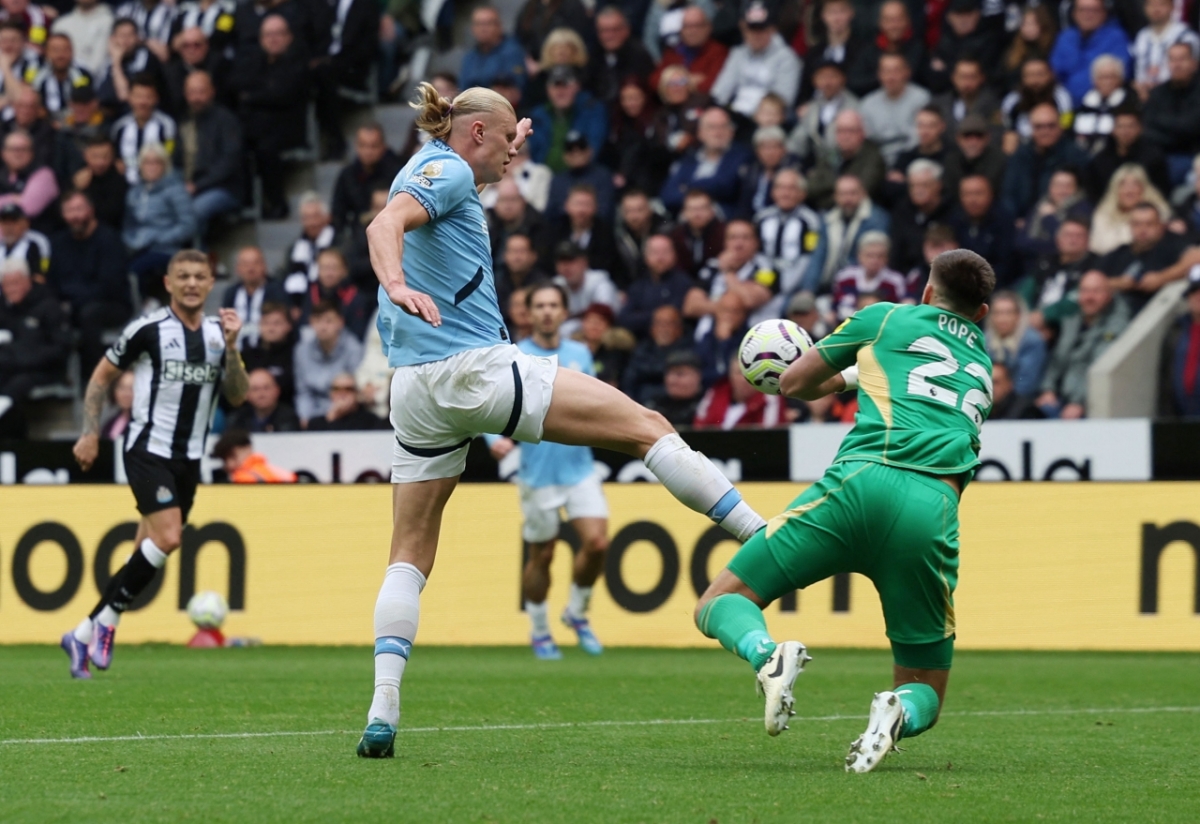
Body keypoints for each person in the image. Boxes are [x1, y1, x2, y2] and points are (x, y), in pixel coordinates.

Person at [357, 83, 769, 757]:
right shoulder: (450, 168)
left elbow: (449, 191)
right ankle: (766, 537)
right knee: (647, 425)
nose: (513, 159)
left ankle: (383, 712)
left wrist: (499, 153)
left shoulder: (441, 164)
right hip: (474, 368)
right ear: (478, 135)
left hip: (414, 392)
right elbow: (384, 226)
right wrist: (398, 285)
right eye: (509, 140)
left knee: (409, 551)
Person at [693, 248, 995, 771]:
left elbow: (794, 383)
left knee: (719, 601)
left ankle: (767, 656)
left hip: (861, 483)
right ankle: (896, 708)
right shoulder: (983, 367)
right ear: (983, 315)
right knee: (926, 689)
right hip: (932, 510)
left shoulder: (886, 317)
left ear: (926, 293)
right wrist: (862, 374)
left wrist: (844, 376)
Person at [63, 251, 247, 679]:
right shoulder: (147, 329)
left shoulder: (222, 334)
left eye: (199, 277)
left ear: (210, 283)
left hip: (189, 459)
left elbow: (237, 395)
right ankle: (108, 623)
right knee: (168, 537)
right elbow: (100, 377)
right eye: (182, 276)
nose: (191, 283)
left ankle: (81, 632)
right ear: (168, 283)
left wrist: (235, 348)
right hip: (148, 449)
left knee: (142, 554)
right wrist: (90, 432)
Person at [485, 283, 609, 659]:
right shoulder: (514, 355)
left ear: (564, 311)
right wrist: (494, 439)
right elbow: (488, 402)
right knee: (544, 555)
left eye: (554, 305)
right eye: (539, 305)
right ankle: (540, 630)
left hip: (580, 467)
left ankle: (576, 611)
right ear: (528, 312)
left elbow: (594, 401)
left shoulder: (579, 354)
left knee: (598, 543)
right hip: (537, 474)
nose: (546, 312)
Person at [230, 14, 308, 219]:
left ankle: (276, 202)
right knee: (237, 142)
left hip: (288, 127)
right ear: (261, 39)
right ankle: (243, 203)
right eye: (268, 35)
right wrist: (263, 94)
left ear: (289, 37)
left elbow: (283, 95)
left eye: (278, 34)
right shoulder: (254, 62)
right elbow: (239, 88)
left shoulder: (298, 62)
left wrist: (254, 96)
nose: (273, 39)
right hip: (258, 126)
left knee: (266, 146)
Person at [46, 191, 131, 370]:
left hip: (111, 304)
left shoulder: (109, 239)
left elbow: (110, 285)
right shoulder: (58, 242)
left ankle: (96, 376)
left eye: (79, 209)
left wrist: (71, 300)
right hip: (70, 304)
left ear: (91, 210)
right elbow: (52, 282)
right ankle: (56, 375)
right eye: (69, 211)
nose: (75, 216)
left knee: (89, 314)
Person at [1036, 270, 1129, 418]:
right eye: (1084, 291)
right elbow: (1056, 360)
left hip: (1090, 404)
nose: (1089, 297)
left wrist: (1079, 403)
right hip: (1060, 400)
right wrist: (1048, 390)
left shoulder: (1115, 327)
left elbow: (1099, 367)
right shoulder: (1072, 322)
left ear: (1109, 295)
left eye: (1096, 291)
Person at [0, 257, 69, 437]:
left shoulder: (48, 306)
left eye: (16, 283)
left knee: (17, 385)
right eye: (6, 285)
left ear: (27, 280)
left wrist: (25, 357)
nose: (11, 289)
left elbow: (61, 348)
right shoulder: (4, 309)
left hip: (43, 370)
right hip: (10, 368)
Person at [123, 142, 196, 300]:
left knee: (136, 270)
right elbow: (128, 224)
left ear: (165, 165)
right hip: (137, 246)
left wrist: (159, 238)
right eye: (147, 162)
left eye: (157, 162)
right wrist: (130, 241)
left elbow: (188, 225)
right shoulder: (134, 192)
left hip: (167, 248)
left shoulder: (176, 190)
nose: (152, 167)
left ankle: (144, 306)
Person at [709, 1, 800, 122]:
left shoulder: (787, 58)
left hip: (768, 120)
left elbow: (783, 100)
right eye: (751, 29)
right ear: (743, 27)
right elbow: (720, 93)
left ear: (772, 29)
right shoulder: (738, 53)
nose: (756, 35)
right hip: (737, 117)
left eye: (761, 29)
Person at [179, 70, 242, 239]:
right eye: (192, 92)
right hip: (189, 187)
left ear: (212, 92)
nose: (196, 97)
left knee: (193, 211)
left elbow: (229, 162)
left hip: (224, 188)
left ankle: (199, 257)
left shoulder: (226, 120)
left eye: (201, 91)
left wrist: (198, 185)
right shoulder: (184, 122)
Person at [1001, 102, 1090, 221]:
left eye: (1051, 126)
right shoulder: (1020, 155)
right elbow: (1008, 194)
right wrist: (1014, 219)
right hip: (1021, 222)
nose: (1045, 131)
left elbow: (1084, 196)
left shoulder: (1075, 156)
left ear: (1060, 126)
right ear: (1031, 128)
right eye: (1039, 126)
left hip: (1062, 220)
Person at [1101, 201, 1189, 315]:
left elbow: (1196, 257)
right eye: (1137, 224)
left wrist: (1162, 278)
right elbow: (1089, 280)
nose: (1142, 230)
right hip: (1117, 314)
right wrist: (1119, 283)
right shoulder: (1119, 252)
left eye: (1149, 224)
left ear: (1161, 226)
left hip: (1162, 312)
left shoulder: (1172, 243)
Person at [754, 168, 824, 299]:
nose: (785, 193)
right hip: (763, 282)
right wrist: (767, 282)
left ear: (802, 193)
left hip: (794, 285)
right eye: (780, 188)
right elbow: (757, 254)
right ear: (773, 192)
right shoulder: (761, 218)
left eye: (791, 188)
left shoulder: (811, 222)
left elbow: (808, 257)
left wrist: (785, 285)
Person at [293, 299, 363, 425]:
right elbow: (303, 392)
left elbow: (353, 391)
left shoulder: (354, 349)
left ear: (340, 322)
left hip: (344, 412)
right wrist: (305, 418)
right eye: (318, 321)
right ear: (311, 322)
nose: (323, 327)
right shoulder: (301, 351)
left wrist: (329, 416)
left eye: (329, 321)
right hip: (312, 416)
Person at [1049, 0, 1131, 107]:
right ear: (1074, 14)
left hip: (1103, 105)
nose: (1088, 15)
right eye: (1082, 10)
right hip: (1065, 104)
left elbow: (1120, 75)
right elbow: (1054, 73)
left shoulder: (1116, 37)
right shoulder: (1065, 38)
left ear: (1104, 13)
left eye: (1094, 10)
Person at [818, 175, 890, 292]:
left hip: (862, 286)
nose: (848, 199)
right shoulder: (827, 220)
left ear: (863, 193)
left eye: (852, 193)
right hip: (828, 283)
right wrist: (808, 289)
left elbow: (873, 257)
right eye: (843, 194)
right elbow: (818, 257)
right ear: (835, 196)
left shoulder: (877, 219)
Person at [1085, 103, 1169, 203]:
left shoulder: (1154, 158)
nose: (1125, 131)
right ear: (1113, 129)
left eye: (1131, 126)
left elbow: (1162, 192)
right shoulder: (1100, 160)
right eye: (1121, 126)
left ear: (1140, 129)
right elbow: (1094, 194)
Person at [1142, 42, 1200, 184]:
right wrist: (1175, 129)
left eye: (1182, 59)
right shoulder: (1158, 93)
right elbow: (1146, 128)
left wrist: (1160, 122)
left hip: (1191, 155)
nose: (1177, 65)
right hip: (1157, 153)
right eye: (1172, 60)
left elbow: (1191, 128)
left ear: (1194, 63)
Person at [860, 53, 931, 169]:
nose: (891, 77)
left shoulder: (922, 98)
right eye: (886, 71)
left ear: (907, 72)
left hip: (913, 157)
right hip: (877, 160)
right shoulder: (867, 103)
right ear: (879, 74)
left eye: (896, 71)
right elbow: (867, 139)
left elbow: (921, 135)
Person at [332, 124, 404, 236]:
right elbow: (338, 215)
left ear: (383, 147)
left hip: (392, 233)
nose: (368, 152)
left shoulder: (398, 173)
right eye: (363, 146)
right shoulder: (347, 175)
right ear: (356, 146)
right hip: (357, 236)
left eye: (373, 146)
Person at [805, 109, 885, 210]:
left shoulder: (873, 157)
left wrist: (824, 197)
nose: (845, 136)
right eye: (840, 131)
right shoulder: (830, 154)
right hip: (827, 214)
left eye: (851, 131)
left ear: (862, 133)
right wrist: (842, 189)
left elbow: (859, 194)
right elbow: (812, 188)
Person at [617, 234, 693, 338]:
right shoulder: (638, 286)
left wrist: (643, 316)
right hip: (643, 343)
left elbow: (673, 315)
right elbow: (624, 319)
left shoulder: (682, 283)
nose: (660, 258)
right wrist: (655, 315)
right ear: (646, 256)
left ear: (674, 255)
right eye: (655, 253)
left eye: (665, 252)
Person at [786, 59, 859, 166]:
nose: (827, 82)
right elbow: (799, 138)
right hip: (816, 165)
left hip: (845, 163)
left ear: (843, 78)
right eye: (822, 77)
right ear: (815, 81)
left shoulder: (854, 106)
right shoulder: (812, 106)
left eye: (832, 77)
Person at [1089, 163, 1169, 256]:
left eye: (1135, 184)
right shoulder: (1103, 214)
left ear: (1144, 188)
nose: (1129, 190)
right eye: (1123, 184)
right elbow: (1097, 246)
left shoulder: (1159, 214)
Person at [111, 73, 177, 185]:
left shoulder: (167, 126)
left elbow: (170, 154)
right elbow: (115, 157)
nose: (143, 102)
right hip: (125, 185)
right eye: (138, 96)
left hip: (158, 185)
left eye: (148, 97)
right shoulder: (119, 127)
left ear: (156, 98)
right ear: (130, 97)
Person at [952, 175, 1017, 287]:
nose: (972, 200)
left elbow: (1006, 263)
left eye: (978, 193)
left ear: (990, 194)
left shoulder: (1004, 221)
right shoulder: (954, 221)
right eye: (967, 194)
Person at [889, 159, 951, 277]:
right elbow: (896, 254)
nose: (918, 191)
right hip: (906, 279)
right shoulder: (902, 211)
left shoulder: (951, 212)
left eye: (924, 185)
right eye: (913, 186)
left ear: (938, 185)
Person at [649, 6, 728, 96]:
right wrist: (687, 80)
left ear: (708, 28)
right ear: (681, 30)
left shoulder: (719, 51)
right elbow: (654, 81)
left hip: (703, 106)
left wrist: (672, 83)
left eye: (698, 26)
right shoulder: (673, 51)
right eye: (687, 26)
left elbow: (712, 86)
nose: (692, 31)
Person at [1132, 0, 1200, 101]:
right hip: (1144, 97)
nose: (1156, 9)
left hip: (1178, 96)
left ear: (1172, 7)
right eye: (1151, 5)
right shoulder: (1141, 36)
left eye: (1161, 4)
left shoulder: (1186, 36)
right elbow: (1138, 71)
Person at [831, 231, 907, 320]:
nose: (874, 261)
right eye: (869, 256)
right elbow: (833, 308)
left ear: (887, 258)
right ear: (859, 256)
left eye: (880, 256)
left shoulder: (895, 281)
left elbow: (900, 313)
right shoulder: (844, 277)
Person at [221, 246, 286, 348]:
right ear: (237, 268)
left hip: (269, 352)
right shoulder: (231, 293)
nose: (250, 268)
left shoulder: (278, 290)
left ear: (264, 266)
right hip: (236, 351)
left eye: (255, 263)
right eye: (245, 264)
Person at [985, 291, 1046, 399]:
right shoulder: (984, 340)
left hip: (1020, 400)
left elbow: (1026, 384)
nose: (1002, 319)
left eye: (1008, 313)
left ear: (1018, 316)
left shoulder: (1032, 341)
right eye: (997, 313)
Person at [460, 5, 528, 93]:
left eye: (487, 24)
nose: (483, 29)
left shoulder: (513, 52)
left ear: (499, 26)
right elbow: (463, 88)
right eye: (478, 24)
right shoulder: (469, 57)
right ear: (472, 28)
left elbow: (514, 90)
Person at [1073, 56, 1131, 155]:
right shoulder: (1084, 105)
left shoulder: (1129, 104)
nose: (1107, 82)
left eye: (1111, 77)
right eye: (1102, 77)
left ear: (1120, 80)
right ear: (1094, 81)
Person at [30, 33, 94, 121]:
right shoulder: (37, 77)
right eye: (55, 50)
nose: (60, 55)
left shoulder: (83, 75)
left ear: (72, 52)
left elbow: (88, 105)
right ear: (47, 53)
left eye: (65, 50)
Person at [242, 301, 296, 403]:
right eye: (266, 323)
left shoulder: (296, 355)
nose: (271, 328)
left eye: (277, 323)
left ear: (289, 326)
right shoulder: (248, 355)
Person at [72, 135, 127, 228]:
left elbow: (113, 214)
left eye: (105, 157)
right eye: (95, 156)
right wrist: (76, 189)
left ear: (113, 157)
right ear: (85, 155)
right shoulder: (77, 175)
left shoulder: (119, 179)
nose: (100, 162)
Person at [225, 367, 300, 432]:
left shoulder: (289, 419)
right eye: (255, 389)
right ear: (246, 394)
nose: (261, 394)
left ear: (277, 390)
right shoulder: (237, 419)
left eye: (266, 388)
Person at [306, 372, 389, 430]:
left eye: (348, 389)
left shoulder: (371, 421)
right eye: (337, 389)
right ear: (330, 394)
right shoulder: (316, 423)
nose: (342, 393)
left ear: (357, 393)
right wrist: (332, 417)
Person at [52, 0, 114, 76]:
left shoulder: (109, 22)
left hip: (98, 81)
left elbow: (99, 63)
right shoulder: (60, 25)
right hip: (65, 80)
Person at [211, 429, 296, 483]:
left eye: (232, 456)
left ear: (247, 449)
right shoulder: (277, 471)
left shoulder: (242, 477)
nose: (228, 464)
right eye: (224, 460)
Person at [0, 201, 47, 275]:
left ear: (25, 223)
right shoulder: (1, 246)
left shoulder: (36, 243)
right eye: (5, 222)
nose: (9, 227)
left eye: (14, 222)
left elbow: (41, 275)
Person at [101, 369, 136, 439]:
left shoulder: (143, 425)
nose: (126, 394)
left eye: (131, 388)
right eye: (122, 388)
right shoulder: (109, 423)